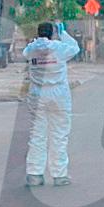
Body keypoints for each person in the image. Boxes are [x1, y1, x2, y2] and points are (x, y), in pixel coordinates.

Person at [23, 21, 81, 187]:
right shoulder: (59, 48)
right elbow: (75, 48)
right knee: (59, 134)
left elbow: (26, 52)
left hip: (37, 94)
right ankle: (59, 175)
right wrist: (63, 33)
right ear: (52, 33)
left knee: (37, 134)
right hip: (58, 94)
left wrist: (36, 40)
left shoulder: (31, 49)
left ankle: (34, 174)